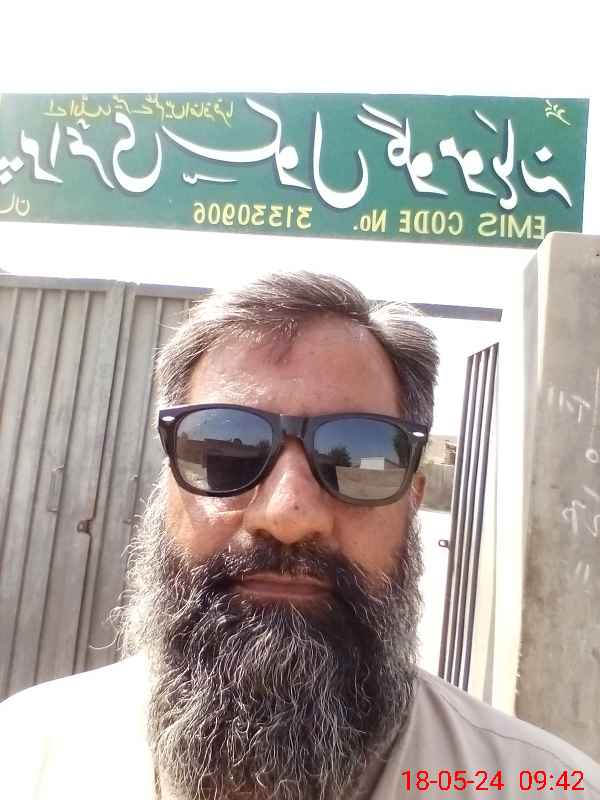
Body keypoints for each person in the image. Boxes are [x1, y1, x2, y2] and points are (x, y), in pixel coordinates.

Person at [0, 271, 598, 800]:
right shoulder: (23, 759)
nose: (288, 515)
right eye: (225, 449)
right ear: (167, 485)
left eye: (356, 453)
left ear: (412, 500)